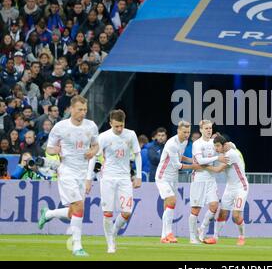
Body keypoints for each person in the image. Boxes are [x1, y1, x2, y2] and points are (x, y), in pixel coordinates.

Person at [37, 95, 99, 257]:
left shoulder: (91, 126)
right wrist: (55, 150)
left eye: (85, 110)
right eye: (80, 109)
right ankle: (77, 246)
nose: (83, 113)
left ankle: (48, 213)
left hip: (82, 171)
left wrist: (92, 152)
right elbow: (49, 149)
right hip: (66, 172)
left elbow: (96, 146)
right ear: (71, 109)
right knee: (79, 207)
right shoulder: (60, 127)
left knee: (73, 211)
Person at [86, 109, 142, 253]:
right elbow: (94, 157)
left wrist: (139, 176)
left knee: (127, 212)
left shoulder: (131, 135)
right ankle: (110, 243)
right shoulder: (103, 137)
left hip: (124, 178)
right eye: (116, 126)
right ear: (110, 123)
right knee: (108, 212)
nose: (119, 129)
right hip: (108, 177)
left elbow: (137, 155)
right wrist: (88, 179)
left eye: (121, 125)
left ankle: (114, 233)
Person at [155, 121, 202, 244]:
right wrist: (194, 166)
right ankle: (169, 233)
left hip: (173, 178)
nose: (187, 135)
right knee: (172, 200)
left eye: (188, 132)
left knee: (168, 205)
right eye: (184, 132)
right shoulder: (172, 144)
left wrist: (191, 160)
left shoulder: (185, 142)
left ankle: (163, 236)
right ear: (178, 131)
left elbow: (180, 157)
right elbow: (177, 165)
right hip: (163, 176)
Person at [202, 134, 248, 246]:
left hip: (241, 187)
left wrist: (203, 165)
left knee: (236, 215)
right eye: (215, 146)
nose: (216, 149)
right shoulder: (230, 146)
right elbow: (230, 144)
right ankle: (215, 238)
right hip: (230, 187)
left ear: (224, 145)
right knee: (222, 214)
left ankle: (242, 236)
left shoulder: (231, 154)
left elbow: (217, 170)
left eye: (217, 146)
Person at [189, 120, 229, 244]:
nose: (208, 130)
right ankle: (192, 237)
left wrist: (229, 146)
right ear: (201, 130)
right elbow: (200, 161)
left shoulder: (213, 143)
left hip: (211, 179)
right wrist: (217, 158)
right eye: (206, 128)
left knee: (214, 205)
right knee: (196, 209)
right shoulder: (197, 144)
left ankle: (202, 229)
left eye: (210, 128)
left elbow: (225, 147)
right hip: (199, 178)